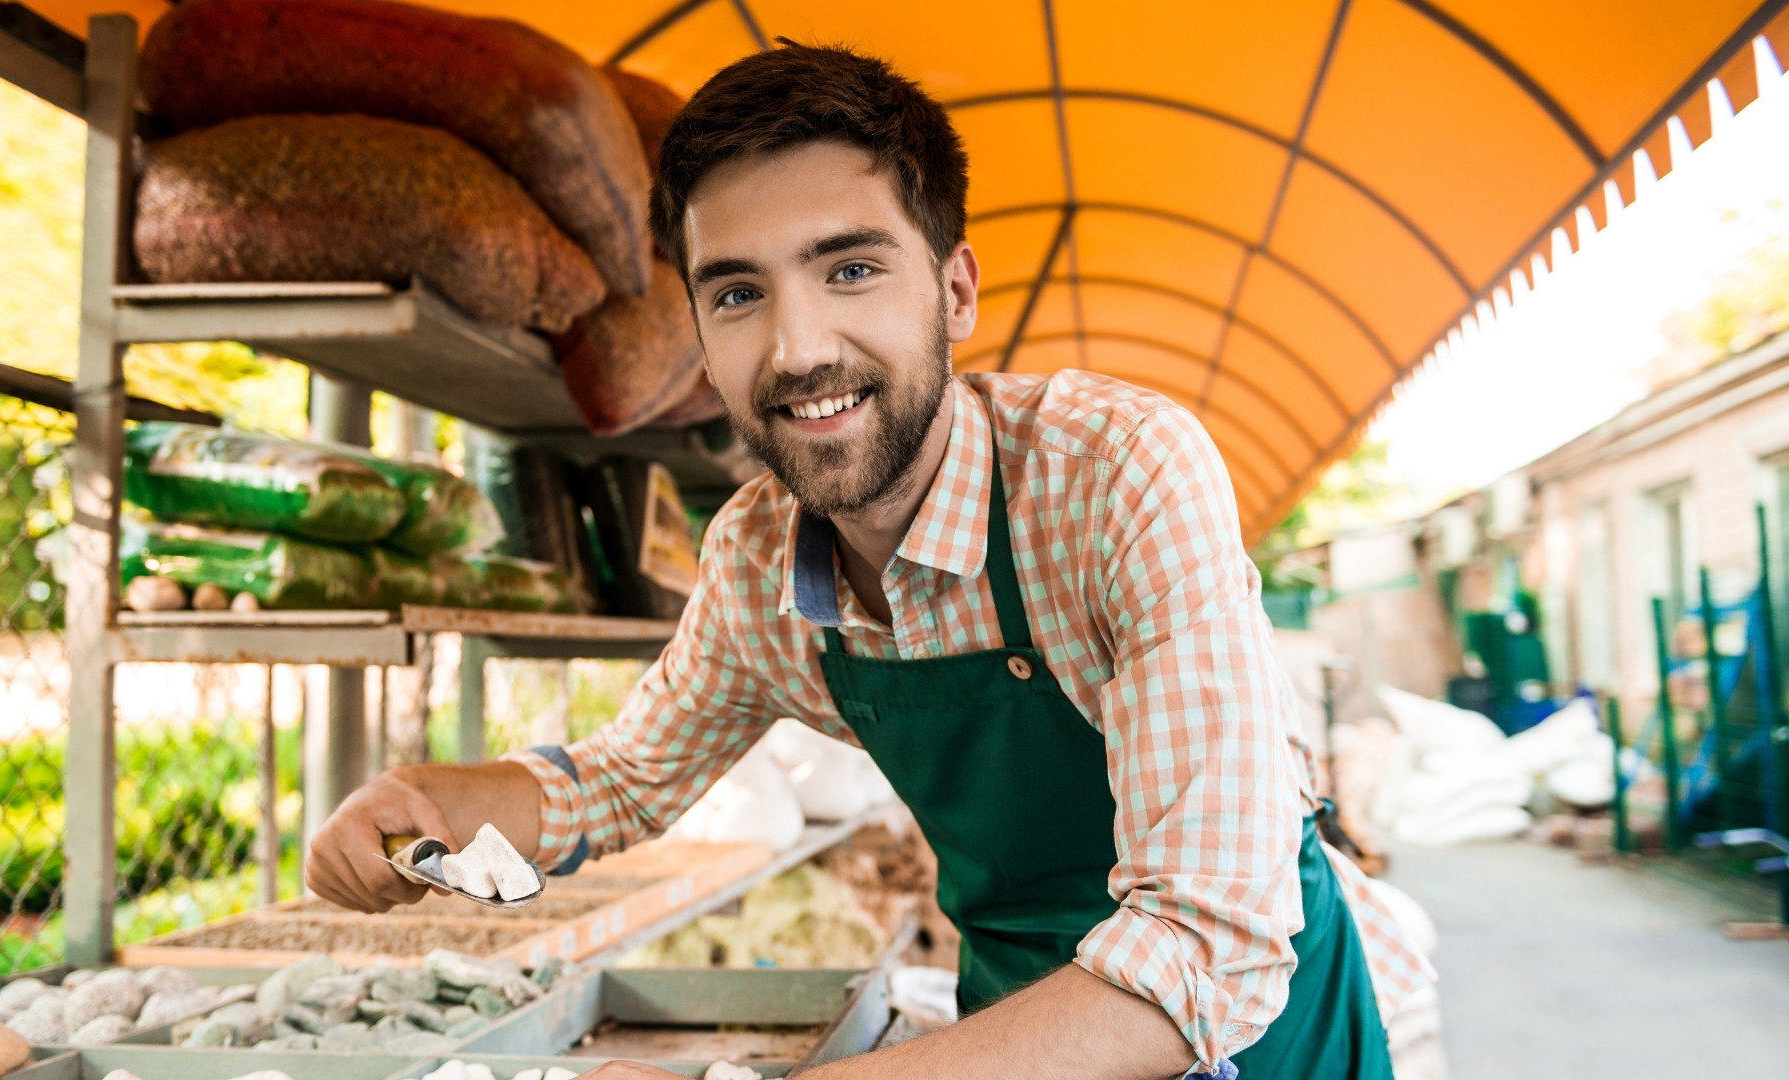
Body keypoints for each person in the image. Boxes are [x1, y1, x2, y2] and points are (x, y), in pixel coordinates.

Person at [307, 41, 1433, 1080]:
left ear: (953, 292)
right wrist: (434, 803)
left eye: (849, 270)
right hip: (1022, 1023)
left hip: (1258, 1036)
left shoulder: (1119, 476)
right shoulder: (755, 563)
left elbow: (1206, 944)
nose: (799, 350)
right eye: (739, 292)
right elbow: (621, 780)